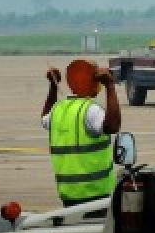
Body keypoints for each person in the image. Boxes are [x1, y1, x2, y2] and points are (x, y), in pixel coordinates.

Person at [41, 60, 121, 207]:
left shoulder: (58, 110)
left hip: (68, 194)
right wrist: (110, 86)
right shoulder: (90, 110)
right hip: (96, 194)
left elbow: (44, 118)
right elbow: (112, 126)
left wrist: (53, 86)